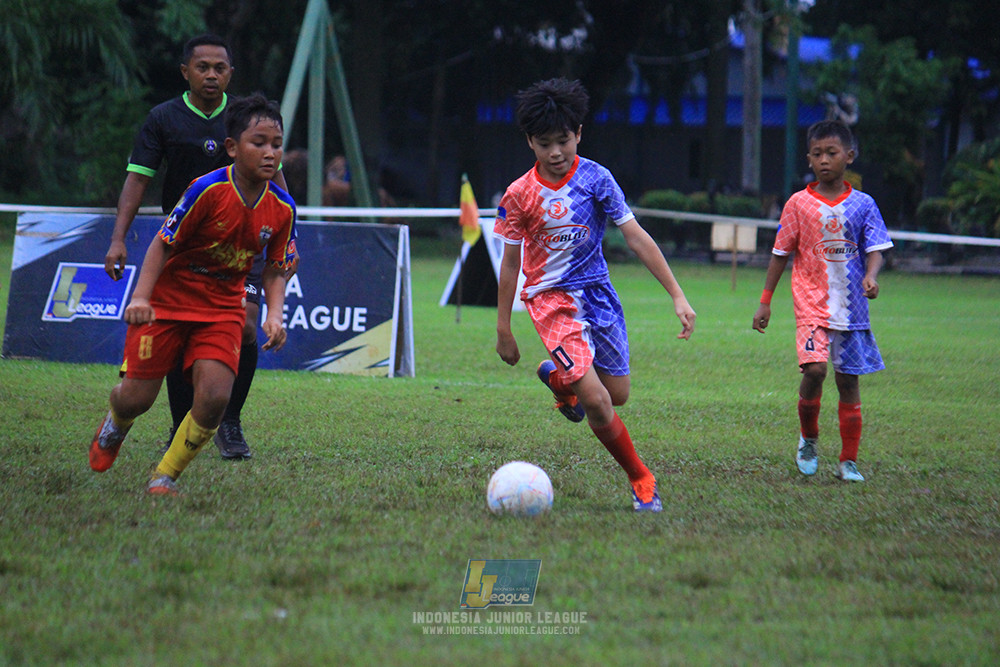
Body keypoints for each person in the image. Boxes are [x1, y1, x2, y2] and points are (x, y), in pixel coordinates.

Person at [494, 78, 696, 513]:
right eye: (544, 143)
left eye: (563, 140)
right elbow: (510, 263)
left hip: (598, 296)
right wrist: (504, 328)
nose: (555, 152)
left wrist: (677, 295)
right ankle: (642, 478)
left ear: (579, 134)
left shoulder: (597, 179)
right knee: (598, 402)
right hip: (551, 303)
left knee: (617, 394)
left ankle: (558, 378)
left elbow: (637, 237)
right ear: (529, 141)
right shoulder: (518, 195)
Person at [89, 93, 297, 495]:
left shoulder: (283, 208)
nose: (270, 153)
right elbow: (163, 244)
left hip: (222, 308)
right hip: (168, 304)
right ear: (233, 148)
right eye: (259, 143)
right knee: (136, 398)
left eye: (276, 144)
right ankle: (115, 424)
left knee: (216, 398)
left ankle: (164, 476)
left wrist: (275, 314)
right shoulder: (206, 190)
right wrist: (140, 298)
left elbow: (276, 267)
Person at [752, 119, 893, 482]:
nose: (824, 160)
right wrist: (765, 301)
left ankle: (848, 461)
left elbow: (876, 248)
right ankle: (809, 438)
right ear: (809, 159)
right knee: (815, 370)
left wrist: (871, 275)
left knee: (848, 381)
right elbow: (780, 254)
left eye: (831, 153)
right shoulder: (798, 204)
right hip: (811, 304)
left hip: (851, 308)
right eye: (817, 154)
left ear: (850, 156)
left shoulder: (864, 204)